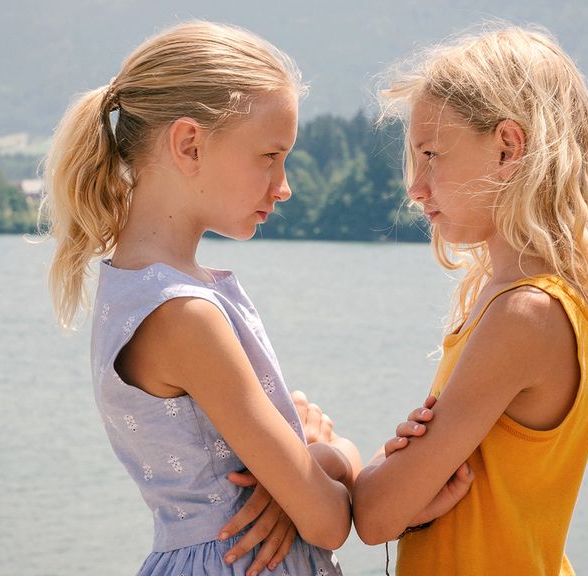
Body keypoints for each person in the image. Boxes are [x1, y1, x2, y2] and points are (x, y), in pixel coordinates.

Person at [41, 21, 361, 576]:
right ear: (190, 144)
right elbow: (328, 522)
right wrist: (330, 452)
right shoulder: (184, 315)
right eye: (270, 155)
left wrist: (296, 475)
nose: (284, 184)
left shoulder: (141, 291)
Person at [351, 24, 588, 575]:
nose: (416, 185)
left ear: (507, 148)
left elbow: (376, 516)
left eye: (431, 154)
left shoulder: (525, 314)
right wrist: (405, 485)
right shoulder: (510, 301)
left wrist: (370, 468)